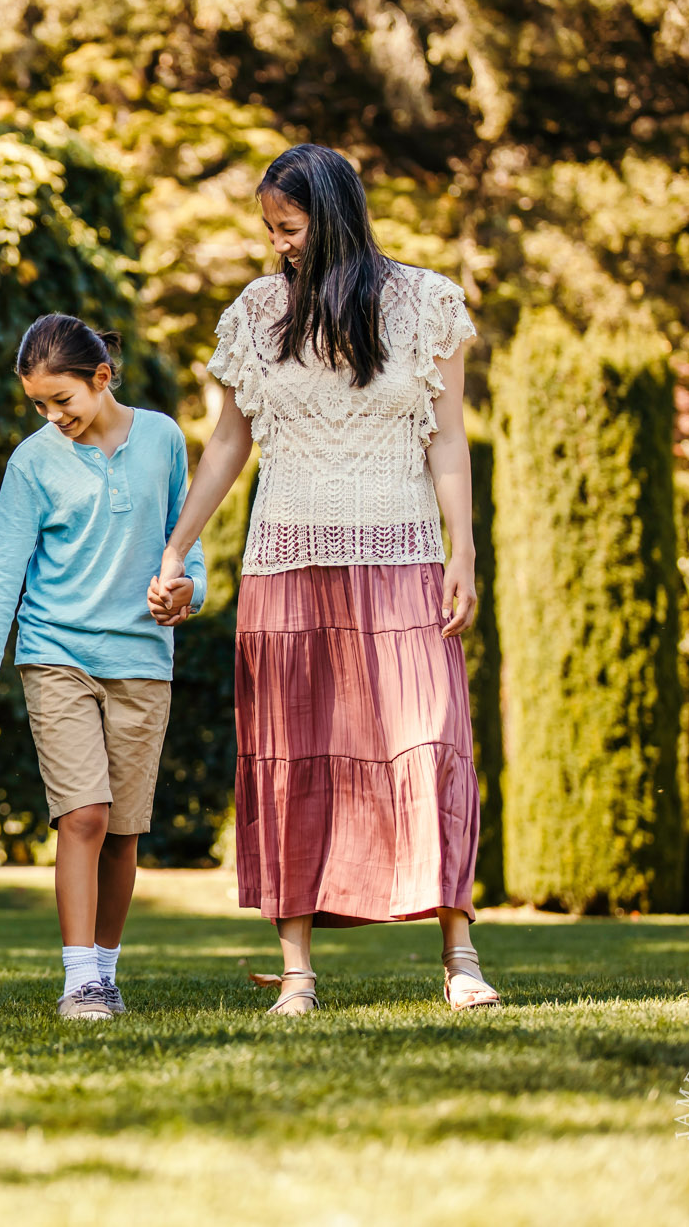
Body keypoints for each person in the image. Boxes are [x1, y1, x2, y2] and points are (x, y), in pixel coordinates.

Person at [148, 143, 502, 1014]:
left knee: (430, 746)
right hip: (286, 564)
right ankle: (297, 972)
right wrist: (176, 547)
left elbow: (446, 439)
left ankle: (461, 959)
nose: (279, 244)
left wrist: (464, 550)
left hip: (404, 557)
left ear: (334, 215)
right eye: (269, 228)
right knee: (289, 760)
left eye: (291, 226)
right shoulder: (257, 313)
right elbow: (230, 441)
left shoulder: (426, 303)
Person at [0, 316, 207, 1021]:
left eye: (61, 400)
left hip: (142, 659)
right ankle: (78, 979)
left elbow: (188, 545)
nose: (51, 417)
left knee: (123, 828)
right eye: (38, 405)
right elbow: (2, 580)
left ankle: (107, 971)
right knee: (84, 814)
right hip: (56, 654)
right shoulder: (32, 463)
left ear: (102, 377)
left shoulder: (162, 439)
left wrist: (188, 592)